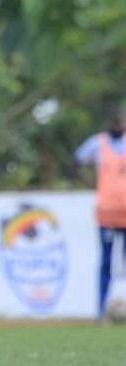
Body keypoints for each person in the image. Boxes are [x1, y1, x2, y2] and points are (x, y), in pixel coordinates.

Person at [74, 106, 126, 318]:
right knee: (106, 262)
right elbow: (75, 161)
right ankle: (101, 310)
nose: (118, 124)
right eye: (115, 121)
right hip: (106, 212)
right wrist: (88, 182)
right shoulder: (98, 142)